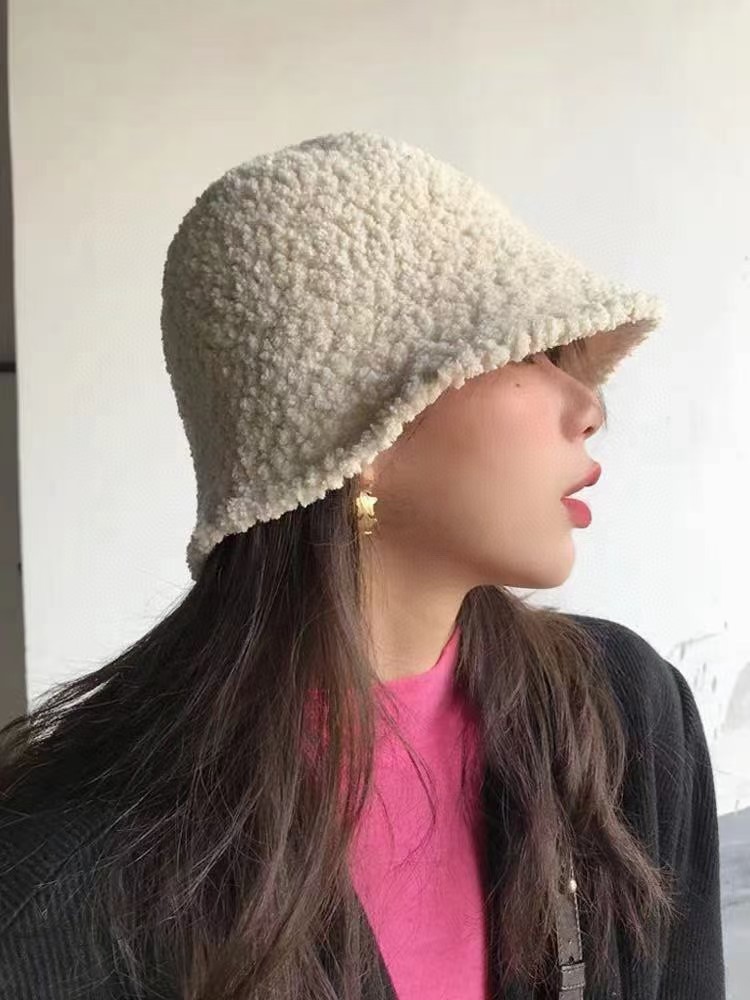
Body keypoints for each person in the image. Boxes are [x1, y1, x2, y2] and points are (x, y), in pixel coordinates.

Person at [0, 131, 725, 1000]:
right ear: (363, 435)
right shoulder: (61, 889)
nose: (590, 407)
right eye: (533, 354)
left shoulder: (625, 716)